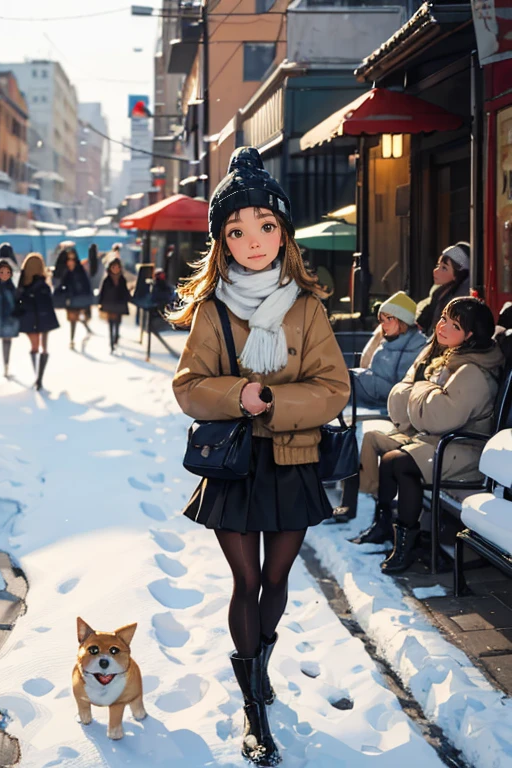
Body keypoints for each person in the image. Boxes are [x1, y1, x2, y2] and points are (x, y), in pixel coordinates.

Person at [171, 147, 350, 766]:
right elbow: (189, 386)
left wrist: (268, 398)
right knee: (246, 580)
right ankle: (253, 709)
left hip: (293, 460)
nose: (253, 240)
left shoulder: (306, 308)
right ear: (222, 240)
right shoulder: (211, 309)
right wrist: (233, 393)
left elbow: (334, 389)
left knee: (277, 579)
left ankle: (260, 660)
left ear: (284, 233)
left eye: (266, 226)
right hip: (236, 466)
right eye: (237, 230)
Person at [352, 297, 504, 574]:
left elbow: (441, 416)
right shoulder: (449, 356)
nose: (442, 326)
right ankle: (387, 525)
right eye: (444, 318)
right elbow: (410, 397)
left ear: (469, 335)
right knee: (386, 451)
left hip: (463, 449)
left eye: (453, 324)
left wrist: (420, 388)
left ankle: (406, 546)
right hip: (440, 440)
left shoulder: (471, 371)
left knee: (398, 461)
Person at [328, 292, 427, 523]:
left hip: (390, 409)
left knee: (353, 435)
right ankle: (346, 501)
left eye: (387, 319)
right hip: (372, 400)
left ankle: (355, 504)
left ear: (401, 321)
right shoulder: (391, 340)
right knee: (343, 429)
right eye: (381, 319)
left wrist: (355, 378)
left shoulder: (414, 347)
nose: (381, 325)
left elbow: (394, 387)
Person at [16, 253, 59, 390]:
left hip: (28, 319)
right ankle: (39, 378)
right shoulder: (43, 284)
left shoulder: (23, 283)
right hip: (43, 318)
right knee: (44, 348)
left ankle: (36, 375)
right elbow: (49, 303)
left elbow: (19, 300)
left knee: (34, 347)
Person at [415, 242, 470, 336]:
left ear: (457, 275)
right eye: (437, 266)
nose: (436, 271)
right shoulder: (439, 291)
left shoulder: (459, 298)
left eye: (444, 268)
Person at [53, 246, 94, 350]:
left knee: (78, 317)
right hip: (69, 300)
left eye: (72, 259)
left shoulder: (80, 271)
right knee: (72, 320)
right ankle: (72, 339)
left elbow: (86, 285)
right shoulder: (64, 271)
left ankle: (84, 330)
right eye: (69, 259)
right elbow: (59, 284)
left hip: (79, 298)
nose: (70, 262)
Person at [98, 256, 132, 353]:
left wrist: (130, 298)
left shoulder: (122, 279)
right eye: (113, 267)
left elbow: (125, 292)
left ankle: (116, 337)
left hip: (119, 304)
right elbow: (102, 292)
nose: (116, 269)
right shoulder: (107, 280)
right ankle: (111, 342)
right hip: (109, 304)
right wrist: (100, 304)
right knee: (110, 324)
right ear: (110, 268)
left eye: (117, 267)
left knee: (117, 323)